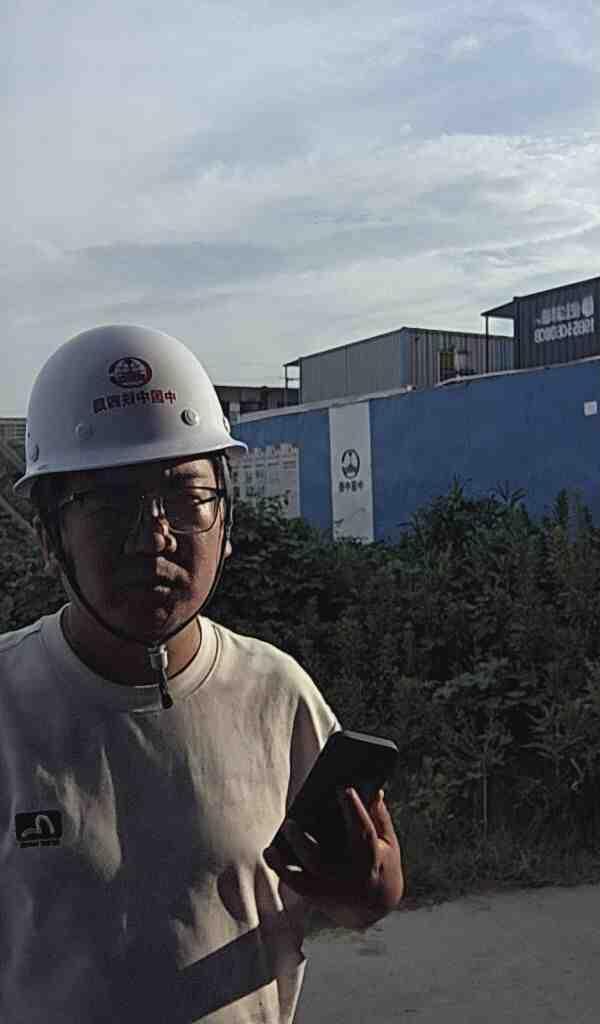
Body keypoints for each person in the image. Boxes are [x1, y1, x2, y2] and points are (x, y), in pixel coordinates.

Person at [0, 324, 403, 1023]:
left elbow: (366, 895)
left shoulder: (276, 694)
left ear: (226, 517)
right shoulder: (9, 703)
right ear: (48, 535)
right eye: (109, 505)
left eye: (185, 497)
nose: (154, 535)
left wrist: (370, 891)